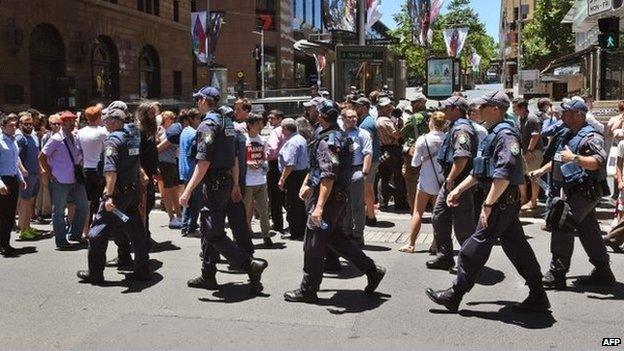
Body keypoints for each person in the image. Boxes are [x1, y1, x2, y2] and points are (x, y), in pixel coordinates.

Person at [426, 90, 550, 313]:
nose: (477, 110)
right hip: (501, 202)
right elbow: (480, 171)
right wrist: (458, 190)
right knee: (518, 248)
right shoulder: (494, 133)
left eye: (482, 107)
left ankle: (455, 294)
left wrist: (488, 205)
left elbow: (503, 174)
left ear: (495, 109)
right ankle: (538, 295)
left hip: (501, 202)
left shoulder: (505, 135)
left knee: (472, 248)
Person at [283, 99, 386, 303]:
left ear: (321, 116)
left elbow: (328, 175)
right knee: (335, 239)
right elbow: (318, 169)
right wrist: (307, 184)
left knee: (313, 244)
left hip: (328, 199)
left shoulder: (329, 140)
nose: (312, 113)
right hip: (336, 197)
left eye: (315, 111)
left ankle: (308, 290)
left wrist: (319, 206)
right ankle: (372, 269)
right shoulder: (337, 136)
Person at [180, 86, 267, 293]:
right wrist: (235, 184)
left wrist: (187, 191)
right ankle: (208, 274)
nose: (196, 104)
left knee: (212, 232)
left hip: (214, 185)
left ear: (203, 100)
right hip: (226, 181)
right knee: (210, 230)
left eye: (197, 100)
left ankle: (249, 265)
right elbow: (234, 158)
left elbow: (203, 162)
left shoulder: (208, 125)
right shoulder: (227, 124)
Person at [529, 99, 616, 290]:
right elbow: (560, 159)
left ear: (579, 115)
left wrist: (575, 158)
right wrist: (542, 170)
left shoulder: (591, 136)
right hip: (574, 189)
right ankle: (603, 270)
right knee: (589, 229)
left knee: (562, 223)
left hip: (586, 190)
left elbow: (597, 161)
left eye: (567, 113)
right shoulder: (568, 134)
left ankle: (557, 273)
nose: (562, 115)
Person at [76, 108, 151, 283]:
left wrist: (108, 195)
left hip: (117, 194)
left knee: (97, 233)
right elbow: (135, 161)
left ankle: (95, 273)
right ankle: (143, 269)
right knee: (137, 231)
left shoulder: (113, 140)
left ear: (115, 121)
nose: (104, 122)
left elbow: (111, 170)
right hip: (131, 192)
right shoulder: (132, 137)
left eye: (107, 119)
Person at [427, 96, 477, 271]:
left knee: (463, 224)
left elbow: (462, 158)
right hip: (451, 181)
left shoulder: (462, 129)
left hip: (459, 182)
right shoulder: (454, 126)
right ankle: (444, 256)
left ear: (456, 109)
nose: (444, 111)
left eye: (448, 108)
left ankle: (468, 261)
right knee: (439, 216)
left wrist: (450, 179)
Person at [39, 111, 88, 249]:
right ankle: (61, 240)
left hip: (76, 179)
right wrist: (49, 173)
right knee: (59, 211)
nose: (73, 124)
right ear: (63, 123)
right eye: (69, 121)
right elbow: (42, 157)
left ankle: (75, 234)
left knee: (83, 206)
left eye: (73, 121)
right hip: (60, 179)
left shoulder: (75, 137)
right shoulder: (55, 139)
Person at [399, 112, 446, 253]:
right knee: (438, 215)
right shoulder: (448, 138)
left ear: (430, 122)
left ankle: (411, 244)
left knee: (417, 212)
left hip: (426, 180)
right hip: (441, 181)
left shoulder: (422, 139)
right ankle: (435, 244)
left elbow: (415, 163)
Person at [341, 108, 372, 247]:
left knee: (357, 205)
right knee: (344, 204)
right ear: (343, 119)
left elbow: (368, 153)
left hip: (356, 170)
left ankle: (358, 234)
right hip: (342, 172)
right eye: (350, 117)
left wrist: (364, 173)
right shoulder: (340, 134)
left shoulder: (363, 134)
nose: (353, 119)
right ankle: (346, 232)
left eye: (355, 117)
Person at [77, 106, 108, 236]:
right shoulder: (103, 132)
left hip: (86, 169)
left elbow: (79, 153)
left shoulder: (80, 132)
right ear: (99, 117)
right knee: (104, 199)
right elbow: (106, 149)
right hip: (100, 168)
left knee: (88, 201)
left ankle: (85, 230)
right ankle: (102, 227)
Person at [243, 113, 273, 246]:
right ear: (249, 125)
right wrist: (247, 164)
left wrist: (263, 165)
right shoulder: (243, 140)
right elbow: (237, 158)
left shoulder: (263, 140)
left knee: (264, 210)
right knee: (244, 210)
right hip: (247, 181)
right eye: (258, 124)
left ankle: (266, 235)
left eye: (262, 123)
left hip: (261, 180)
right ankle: (243, 235)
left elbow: (265, 158)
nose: (261, 126)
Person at [278, 118, 309, 240]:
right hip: (301, 174)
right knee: (300, 204)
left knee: (293, 205)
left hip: (294, 176)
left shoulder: (292, 142)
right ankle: (301, 230)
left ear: (286, 128)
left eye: (282, 128)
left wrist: (282, 178)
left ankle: (295, 232)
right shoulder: (300, 138)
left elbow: (290, 164)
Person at [0, 114, 27, 256]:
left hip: (12, 180)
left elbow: (15, 162)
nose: (14, 127)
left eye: (15, 125)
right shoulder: (0, 141)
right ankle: (2, 244)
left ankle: (5, 242)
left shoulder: (13, 141)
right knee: (3, 214)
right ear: (3, 126)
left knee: (10, 214)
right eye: (11, 125)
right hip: (2, 180)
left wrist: (21, 178)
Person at [376, 96, 409, 211]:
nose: (389, 108)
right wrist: (401, 126)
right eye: (387, 106)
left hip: (383, 150)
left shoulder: (379, 119)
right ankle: (400, 203)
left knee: (384, 177)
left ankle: (382, 203)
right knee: (398, 176)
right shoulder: (384, 120)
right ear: (382, 108)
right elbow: (397, 135)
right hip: (392, 150)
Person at [353, 97, 381, 225]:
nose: (355, 109)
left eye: (357, 106)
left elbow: (367, 145)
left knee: (367, 188)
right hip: (372, 159)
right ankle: (369, 213)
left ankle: (370, 216)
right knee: (368, 187)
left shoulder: (366, 124)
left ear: (364, 107)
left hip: (370, 160)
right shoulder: (366, 121)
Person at [513, 98, 543, 212]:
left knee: (533, 177)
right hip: (524, 152)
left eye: (515, 107)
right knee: (522, 176)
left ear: (522, 108)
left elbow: (535, 136)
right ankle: (524, 198)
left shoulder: (531, 119)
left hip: (533, 152)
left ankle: (533, 202)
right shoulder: (520, 119)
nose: (513, 110)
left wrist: (529, 151)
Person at [401, 93, 430, 211]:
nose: (411, 105)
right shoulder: (432, 115)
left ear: (421, 103)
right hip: (430, 152)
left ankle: (415, 209)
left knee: (411, 181)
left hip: (414, 152)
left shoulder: (413, 118)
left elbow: (402, 134)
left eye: (413, 102)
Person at [15, 112, 41, 240]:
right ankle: (23, 230)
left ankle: (28, 227)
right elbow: (16, 157)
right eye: (26, 124)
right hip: (26, 175)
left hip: (35, 174)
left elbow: (37, 154)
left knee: (30, 202)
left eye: (30, 124)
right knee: (25, 203)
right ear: (20, 125)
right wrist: (23, 170)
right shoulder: (20, 139)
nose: (29, 126)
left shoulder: (33, 137)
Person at [157, 110, 183, 228]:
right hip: (165, 163)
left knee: (173, 190)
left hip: (170, 162)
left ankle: (178, 215)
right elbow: (159, 148)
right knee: (167, 191)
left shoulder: (172, 132)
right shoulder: (164, 132)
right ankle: (172, 218)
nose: (170, 120)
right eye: (168, 118)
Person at [178, 109, 203, 237]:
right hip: (193, 170)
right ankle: (191, 227)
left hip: (184, 169)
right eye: (198, 118)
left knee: (188, 200)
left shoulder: (184, 132)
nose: (200, 121)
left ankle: (185, 226)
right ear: (192, 119)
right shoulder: (195, 133)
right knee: (195, 201)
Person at [265, 109, 286, 233]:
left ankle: (278, 224)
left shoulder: (275, 132)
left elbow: (272, 150)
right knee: (283, 195)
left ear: (279, 119)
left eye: (272, 118)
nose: (269, 120)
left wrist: (264, 157)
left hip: (274, 164)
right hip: (286, 165)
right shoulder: (288, 130)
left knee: (274, 196)